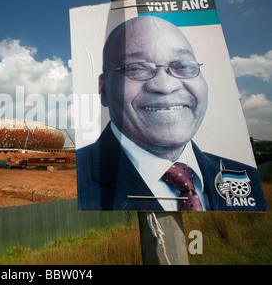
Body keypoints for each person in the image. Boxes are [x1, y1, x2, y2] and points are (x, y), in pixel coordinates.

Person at [77, 16, 267, 212]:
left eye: (183, 66)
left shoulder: (247, 178)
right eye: (136, 68)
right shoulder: (77, 181)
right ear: (104, 89)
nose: (165, 86)